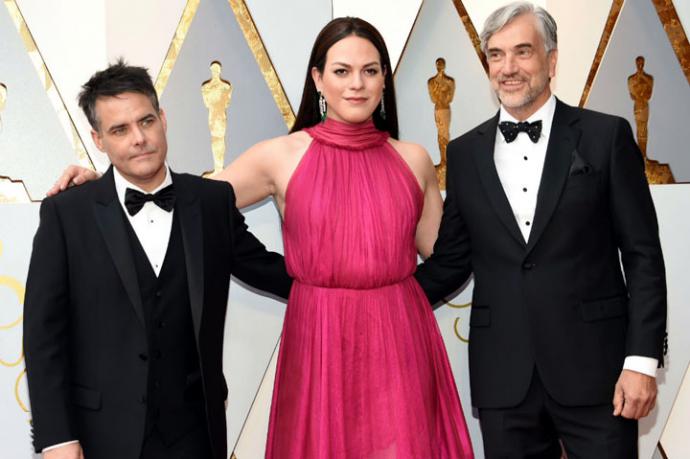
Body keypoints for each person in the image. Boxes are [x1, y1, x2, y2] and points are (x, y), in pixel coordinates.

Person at [50, 17, 474, 458]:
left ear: (384, 78)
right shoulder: (281, 156)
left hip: (400, 339)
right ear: (318, 78)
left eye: (370, 70)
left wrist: (394, 299)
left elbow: (442, 254)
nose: (357, 84)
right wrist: (106, 185)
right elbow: (191, 203)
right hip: (319, 337)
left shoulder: (414, 159)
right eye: (342, 71)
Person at [414, 3, 666, 458]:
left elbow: (643, 256)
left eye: (522, 52)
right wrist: (378, 295)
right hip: (503, 381)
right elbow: (451, 261)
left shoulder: (605, 136)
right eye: (496, 55)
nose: (507, 68)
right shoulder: (465, 154)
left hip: (601, 375)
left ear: (551, 61)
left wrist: (642, 361)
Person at [24, 61, 291, 459]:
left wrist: (367, 284)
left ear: (163, 119)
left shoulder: (211, 202)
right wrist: (57, 439)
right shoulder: (68, 213)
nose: (139, 138)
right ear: (98, 140)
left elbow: (273, 272)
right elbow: (43, 337)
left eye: (146, 121)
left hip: (195, 432)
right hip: (100, 435)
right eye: (120, 130)